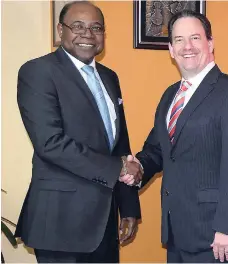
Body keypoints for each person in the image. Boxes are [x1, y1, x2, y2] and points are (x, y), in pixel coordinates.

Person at [121, 10, 228, 263]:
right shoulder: (170, 96)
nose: (188, 47)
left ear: (210, 43)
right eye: (179, 40)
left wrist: (227, 228)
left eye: (195, 38)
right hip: (177, 231)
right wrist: (139, 167)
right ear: (171, 50)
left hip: (217, 237)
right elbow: (159, 150)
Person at [14, 1, 142, 262]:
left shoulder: (109, 77)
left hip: (105, 221)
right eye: (78, 26)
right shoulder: (38, 71)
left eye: (96, 27)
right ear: (61, 30)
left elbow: (119, 144)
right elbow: (50, 143)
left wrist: (128, 205)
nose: (87, 34)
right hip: (61, 223)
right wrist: (117, 168)